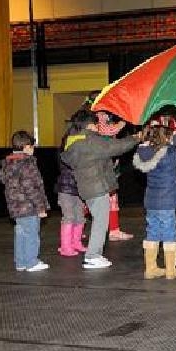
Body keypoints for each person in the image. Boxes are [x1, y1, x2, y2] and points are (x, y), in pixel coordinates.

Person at [61, 110, 140, 269]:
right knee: (100, 222)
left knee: (98, 220)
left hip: (87, 187)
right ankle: (93, 256)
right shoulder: (90, 141)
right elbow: (116, 147)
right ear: (90, 124)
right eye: (96, 124)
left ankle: (93, 255)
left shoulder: (74, 141)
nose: (98, 127)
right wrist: (136, 138)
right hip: (96, 187)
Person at [133, 121, 176, 280]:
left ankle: (151, 268)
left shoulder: (144, 152)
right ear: (165, 139)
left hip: (151, 202)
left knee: (152, 231)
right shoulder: (167, 156)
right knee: (169, 232)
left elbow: (167, 144)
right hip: (166, 202)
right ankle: (170, 270)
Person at [0, 131, 50, 272]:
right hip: (28, 207)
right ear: (26, 146)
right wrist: (40, 207)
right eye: (32, 146)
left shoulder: (8, 164)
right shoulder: (27, 164)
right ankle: (31, 262)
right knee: (32, 234)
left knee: (21, 233)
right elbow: (31, 188)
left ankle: (21, 262)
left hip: (15, 207)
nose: (33, 150)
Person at [95, 110, 134, 241]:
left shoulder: (100, 120)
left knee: (110, 198)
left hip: (106, 165)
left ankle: (113, 229)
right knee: (102, 198)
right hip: (100, 167)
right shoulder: (97, 120)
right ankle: (113, 230)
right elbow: (109, 131)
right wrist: (125, 119)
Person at [55, 116, 88, 257]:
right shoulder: (66, 153)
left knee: (80, 217)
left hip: (78, 188)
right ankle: (65, 246)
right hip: (66, 189)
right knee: (69, 216)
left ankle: (76, 242)